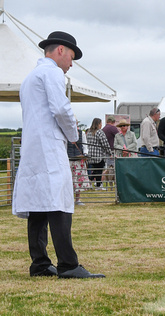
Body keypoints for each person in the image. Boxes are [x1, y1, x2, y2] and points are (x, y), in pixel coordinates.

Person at [13, 31, 104, 278]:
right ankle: (68, 264)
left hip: (33, 148)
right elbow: (61, 110)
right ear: (61, 50)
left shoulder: (30, 77)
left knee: (38, 206)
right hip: (50, 148)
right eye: (72, 57)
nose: (71, 64)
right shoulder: (52, 72)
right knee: (59, 203)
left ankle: (40, 264)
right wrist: (74, 135)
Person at [67, 122, 90, 206]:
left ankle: (77, 199)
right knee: (68, 180)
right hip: (68, 159)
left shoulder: (82, 133)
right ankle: (68, 200)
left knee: (78, 179)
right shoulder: (65, 132)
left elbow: (85, 146)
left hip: (78, 160)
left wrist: (85, 154)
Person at [87, 118, 112, 190]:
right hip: (99, 154)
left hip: (91, 155)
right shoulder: (100, 132)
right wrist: (109, 152)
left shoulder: (89, 132)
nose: (101, 125)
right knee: (99, 170)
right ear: (98, 124)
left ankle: (95, 183)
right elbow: (105, 144)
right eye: (101, 124)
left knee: (95, 169)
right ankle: (96, 184)